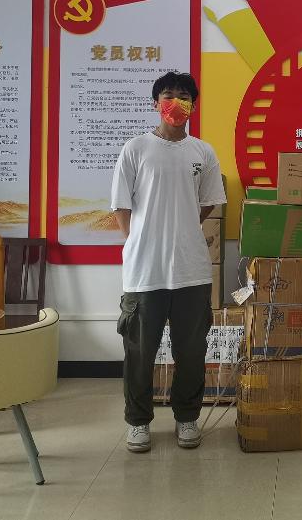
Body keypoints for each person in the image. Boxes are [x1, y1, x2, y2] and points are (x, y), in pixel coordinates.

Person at [111, 71, 227, 453]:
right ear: (155, 102)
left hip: (191, 270)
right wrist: (141, 241)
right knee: (140, 352)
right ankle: (138, 421)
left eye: (183, 96)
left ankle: (187, 417)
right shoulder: (135, 149)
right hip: (145, 272)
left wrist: (181, 226)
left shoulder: (203, 153)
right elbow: (121, 207)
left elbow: (207, 203)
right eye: (167, 95)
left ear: (194, 105)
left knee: (191, 352)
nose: (175, 102)